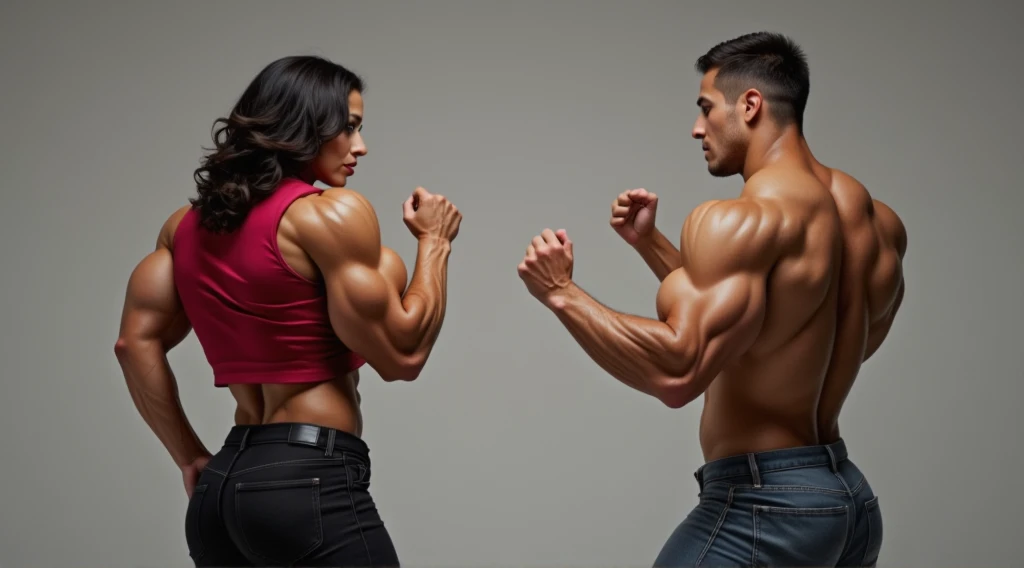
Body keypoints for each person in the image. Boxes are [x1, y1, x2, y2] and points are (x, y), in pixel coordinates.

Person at [517, 32, 906, 566]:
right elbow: (779, 329)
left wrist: (561, 293)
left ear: (750, 105)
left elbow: (680, 372)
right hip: (845, 498)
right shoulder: (872, 219)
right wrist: (650, 243)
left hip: (762, 505)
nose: (697, 128)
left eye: (705, 109)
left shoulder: (736, 220)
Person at [114, 55, 461, 567]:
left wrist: (190, 457)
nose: (360, 147)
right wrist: (434, 243)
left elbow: (132, 344)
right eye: (349, 128)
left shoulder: (181, 228)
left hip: (222, 492)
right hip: (306, 480)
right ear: (305, 126)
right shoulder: (329, 214)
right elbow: (402, 356)